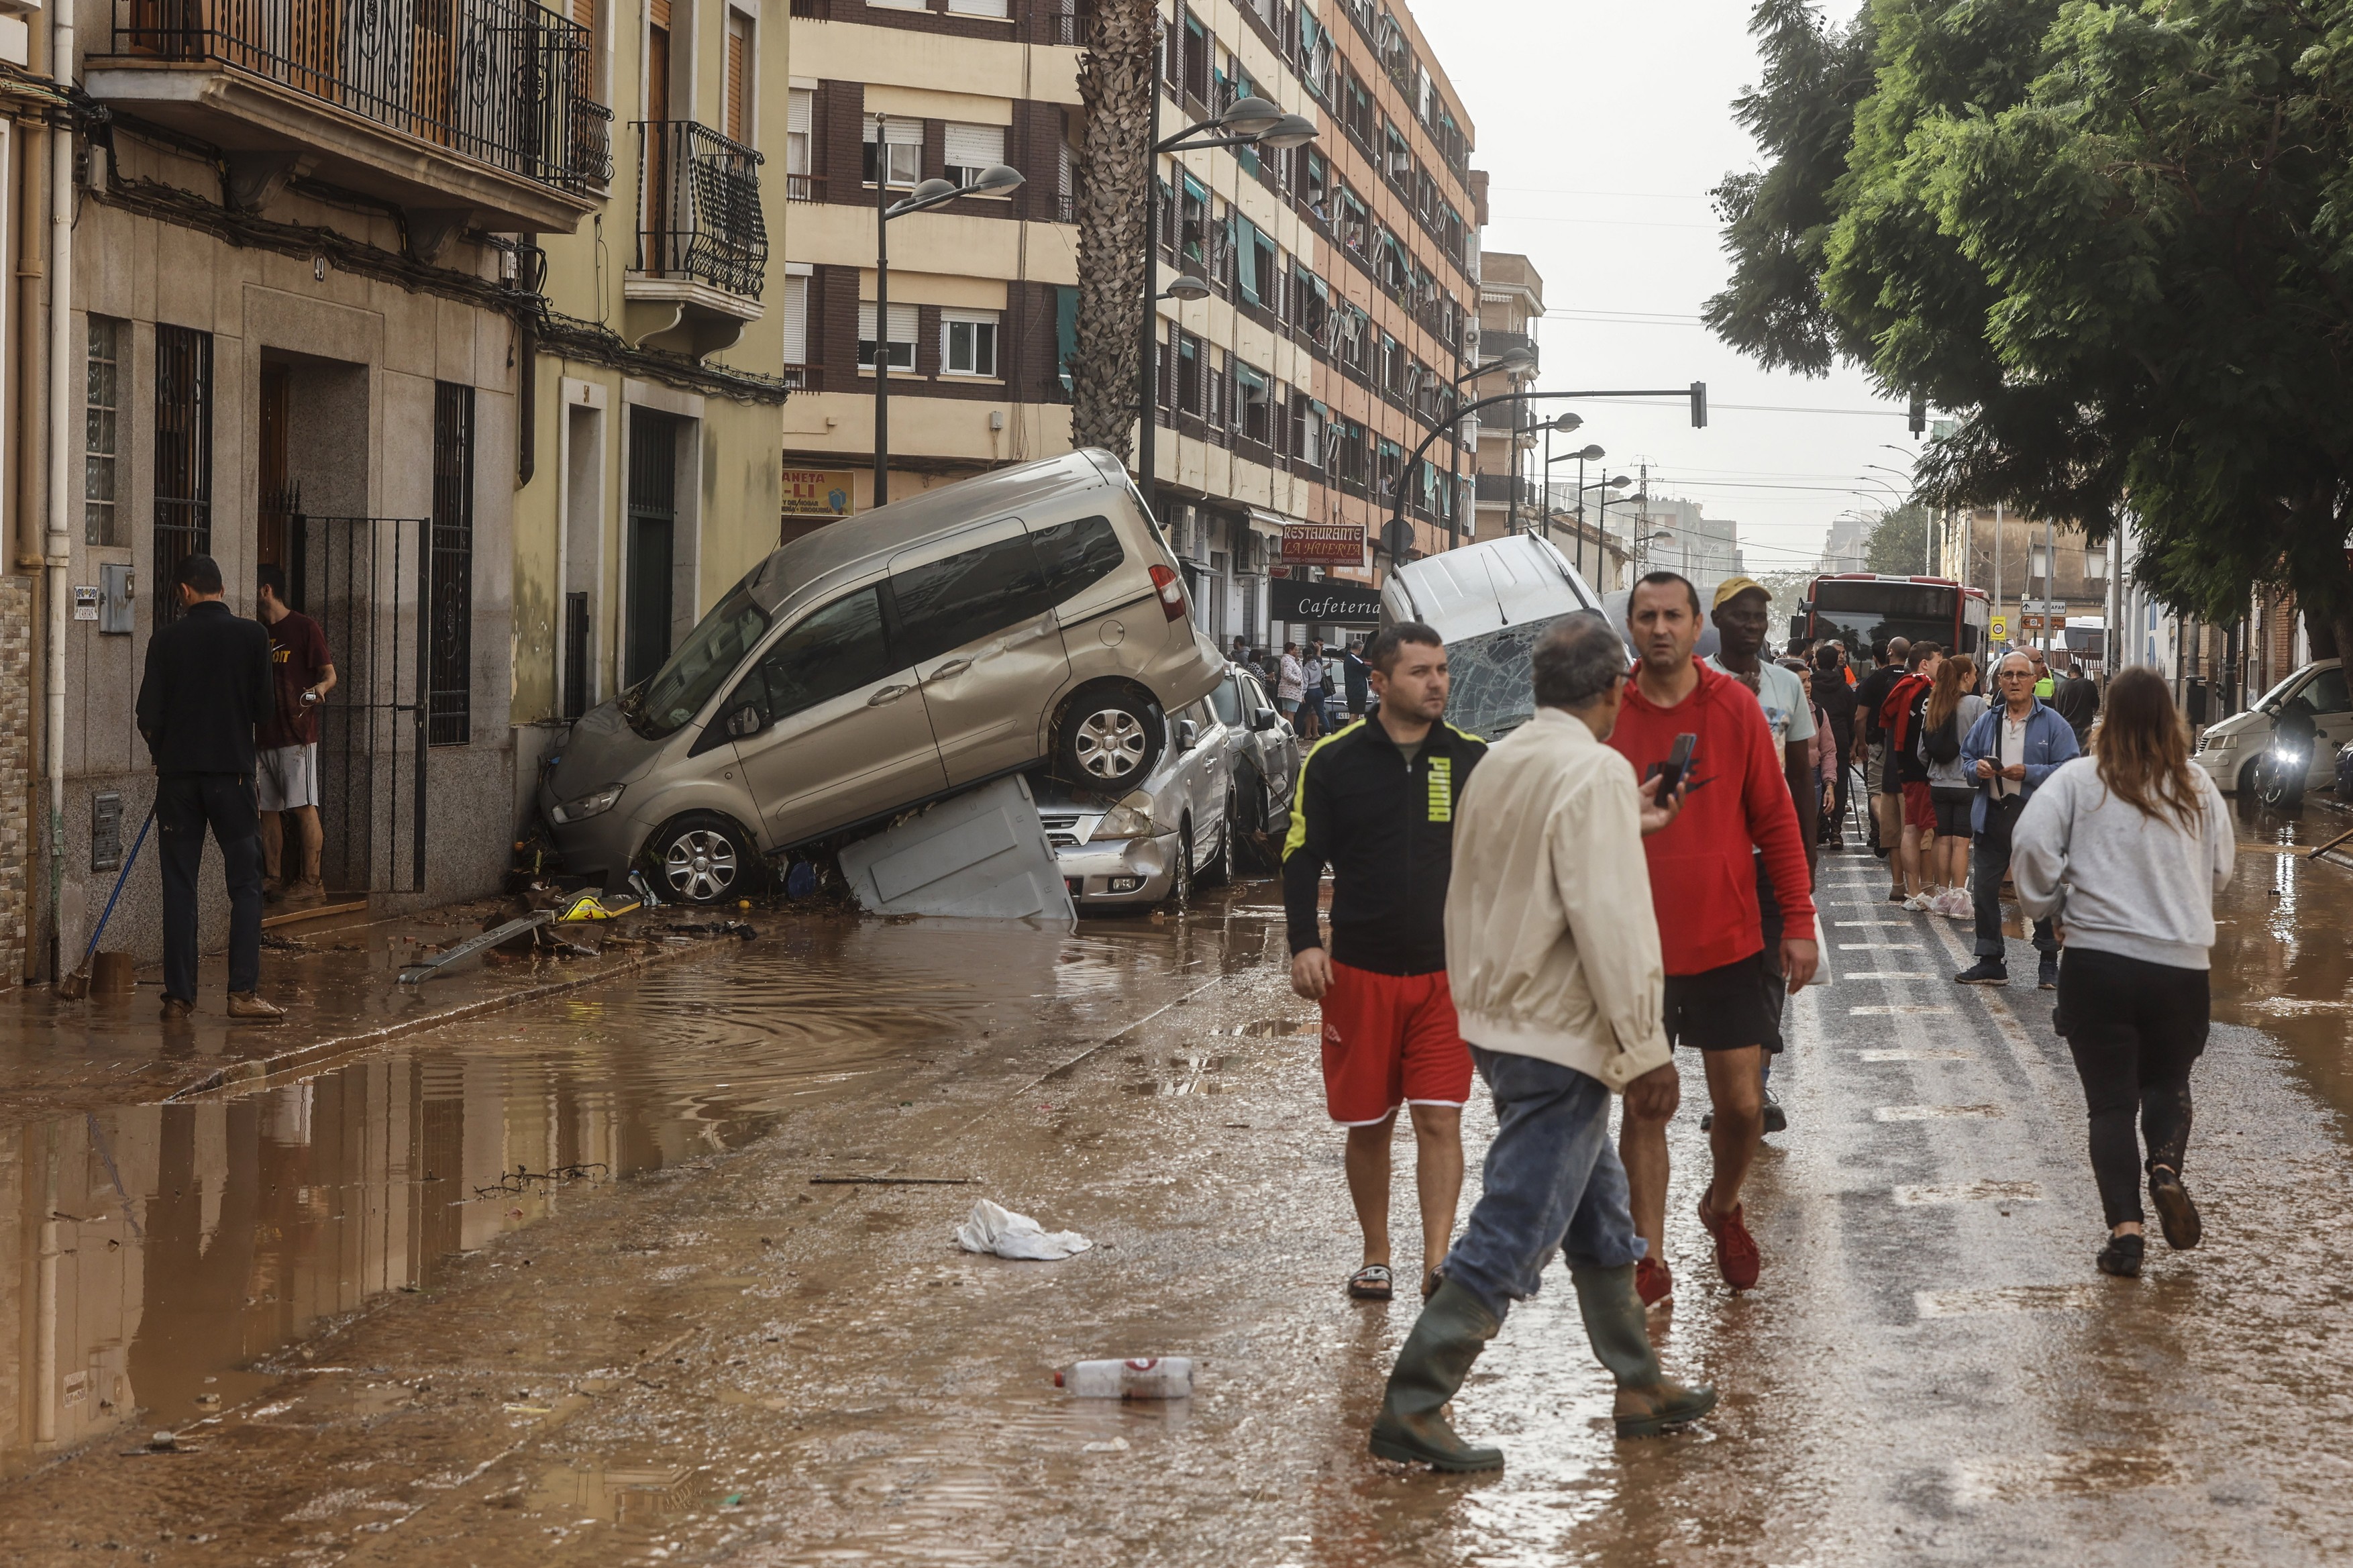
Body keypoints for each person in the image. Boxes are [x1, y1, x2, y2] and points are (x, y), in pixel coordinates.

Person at [1368, 615, 1714, 1470]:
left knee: (1600, 1221)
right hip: (1559, 1028)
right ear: (1612, 692)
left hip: (1495, 1013)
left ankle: (1640, 1382)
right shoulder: (1593, 767)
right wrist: (1645, 1049)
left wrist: (1629, 817)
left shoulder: (1503, 759)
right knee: (1514, 1224)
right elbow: (1611, 917)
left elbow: (1528, 863)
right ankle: (1414, 1403)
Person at [1608, 573, 1818, 1306]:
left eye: (1673, 616)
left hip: (1728, 938)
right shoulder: (1607, 711)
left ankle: (1723, 1206)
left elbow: (1777, 819)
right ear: (1631, 626)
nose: (1660, 628)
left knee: (1742, 1108)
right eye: (1646, 616)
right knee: (1646, 1104)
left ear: (1697, 625)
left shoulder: (1735, 707)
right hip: (1634, 949)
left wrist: (1797, 921)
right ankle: (1648, 1253)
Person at [1285, 623, 1488, 1302]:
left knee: (1439, 1118)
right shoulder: (1335, 760)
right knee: (1369, 1125)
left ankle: (1438, 1259)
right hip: (1360, 976)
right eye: (1419, 672)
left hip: (1445, 977)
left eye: (1442, 670)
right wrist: (1304, 942)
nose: (1436, 683)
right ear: (1378, 682)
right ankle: (1377, 1256)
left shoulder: (1471, 758)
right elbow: (1301, 854)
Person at [2011, 668, 2232, 1278]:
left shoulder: (2078, 781)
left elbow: (2029, 846)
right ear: (2171, 719)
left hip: (2098, 963)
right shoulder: (2197, 786)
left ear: (2107, 716)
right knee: (2167, 1084)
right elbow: (2220, 873)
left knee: (2109, 1105)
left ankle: (2125, 1236)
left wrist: (2048, 904)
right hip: (2179, 968)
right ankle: (2164, 1167)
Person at [134, 554, 283, 1024]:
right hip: (233, 781)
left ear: (184, 592)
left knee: (180, 884)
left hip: (178, 782)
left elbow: (148, 717)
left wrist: (165, 751)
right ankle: (242, 992)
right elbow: (264, 710)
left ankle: (180, 996)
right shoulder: (253, 637)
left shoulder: (165, 641)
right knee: (245, 883)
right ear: (221, 589)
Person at [1704, 578, 1818, 1135]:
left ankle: (1758, 1083)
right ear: (1718, 619)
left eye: (1759, 618)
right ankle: (1729, 1090)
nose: (1752, 625)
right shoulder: (1697, 682)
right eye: (1741, 616)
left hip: (1771, 853)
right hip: (1714, 856)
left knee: (1772, 970)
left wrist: (1806, 856)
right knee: (1724, 973)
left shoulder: (1785, 685)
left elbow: (1801, 776)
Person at [1953, 651, 2081, 989]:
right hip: (1993, 815)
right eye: (2007, 675)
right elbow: (1966, 758)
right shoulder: (1988, 720)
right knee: (1983, 891)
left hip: (2036, 820)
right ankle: (1991, 961)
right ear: (1999, 682)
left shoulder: (2054, 724)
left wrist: (2030, 772)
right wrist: (1975, 770)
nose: (2014, 681)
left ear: (2034, 679)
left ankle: (2049, 962)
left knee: (2041, 890)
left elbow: (2070, 769)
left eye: (2021, 675)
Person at [254, 565, 337, 906]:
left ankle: (311, 880)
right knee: (267, 809)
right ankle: (272, 877)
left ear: (266, 590)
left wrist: (319, 689)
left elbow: (330, 675)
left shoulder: (305, 627)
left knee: (303, 806)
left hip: (297, 734)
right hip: (262, 734)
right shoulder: (256, 632)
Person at [1917, 653, 1984, 917]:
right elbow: (1986, 743)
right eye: (1975, 674)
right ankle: (1959, 897)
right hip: (1967, 783)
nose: (1976, 678)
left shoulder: (1934, 702)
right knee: (1961, 842)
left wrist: (1936, 770)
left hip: (1939, 783)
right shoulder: (1977, 704)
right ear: (1966, 676)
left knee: (1942, 839)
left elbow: (1922, 751)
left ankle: (1942, 894)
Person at [1881, 642, 1943, 909]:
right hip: (1922, 770)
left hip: (1904, 766)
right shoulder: (1927, 691)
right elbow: (1929, 732)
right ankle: (1918, 889)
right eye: (1940, 661)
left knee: (1913, 828)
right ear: (1925, 664)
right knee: (1920, 831)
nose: (1944, 667)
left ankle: (1915, 888)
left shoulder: (1908, 687)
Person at [1854, 637, 1909, 895]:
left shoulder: (1873, 680)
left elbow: (1860, 717)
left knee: (1876, 793)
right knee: (1904, 794)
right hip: (1908, 747)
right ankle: (1904, 830)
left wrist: (1861, 743)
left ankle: (1891, 830)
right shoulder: (1915, 677)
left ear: (1889, 653)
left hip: (1879, 743)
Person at [1813, 643, 1858, 844]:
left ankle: (1820, 822)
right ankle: (1836, 830)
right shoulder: (1844, 688)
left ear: (1816, 661)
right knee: (1838, 782)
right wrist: (1851, 742)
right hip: (1839, 737)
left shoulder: (1808, 685)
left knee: (1817, 780)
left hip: (1813, 734)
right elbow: (1852, 717)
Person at [2050, 654, 2101, 747]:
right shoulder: (2089, 684)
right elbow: (2096, 706)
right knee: (2083, 755)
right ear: (2080, 673)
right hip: (2085, 726)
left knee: (2069, 753)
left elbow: (2058, 708)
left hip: (2067, 726)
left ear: (2069, 674)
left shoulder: (2062, 686)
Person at [1275, 642, 1306, 727]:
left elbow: (1300, 670)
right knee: (1291, 713)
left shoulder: (1291, 660)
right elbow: (1287, 674)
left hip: (1287, 690)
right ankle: (1289, 732)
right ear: (1290, 651)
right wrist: (1297, 681)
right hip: (1291, 691)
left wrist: (1297, 660)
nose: (1297, 652)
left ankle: (1284, 731)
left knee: (1285, 712)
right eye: (1295, 650)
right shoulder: (1288, 661)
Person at [1343, 637, 1371, 718]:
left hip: (1353, 690)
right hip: (1357, 691)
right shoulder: (1355, 660)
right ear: (1360, 648)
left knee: (1355, 714)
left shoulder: (1348, 658)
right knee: (1354, 715)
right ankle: (1350, 731)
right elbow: (1368, 671)